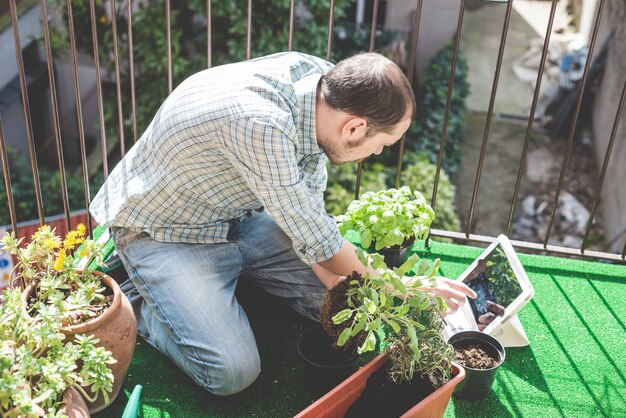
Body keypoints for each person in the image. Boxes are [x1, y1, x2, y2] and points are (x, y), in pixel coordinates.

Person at [90, 51, 476, 396]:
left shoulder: (325, 90)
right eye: (383, 144)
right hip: (165, 234)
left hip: (244, 217)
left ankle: (227, 285)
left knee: (348, 309)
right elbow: (313, 233)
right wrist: (405, 289)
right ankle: (136, 296)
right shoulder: (260, 123)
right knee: (231, 373)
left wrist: (348, 286)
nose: (376, 155)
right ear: (355, 128)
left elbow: (307, 220)